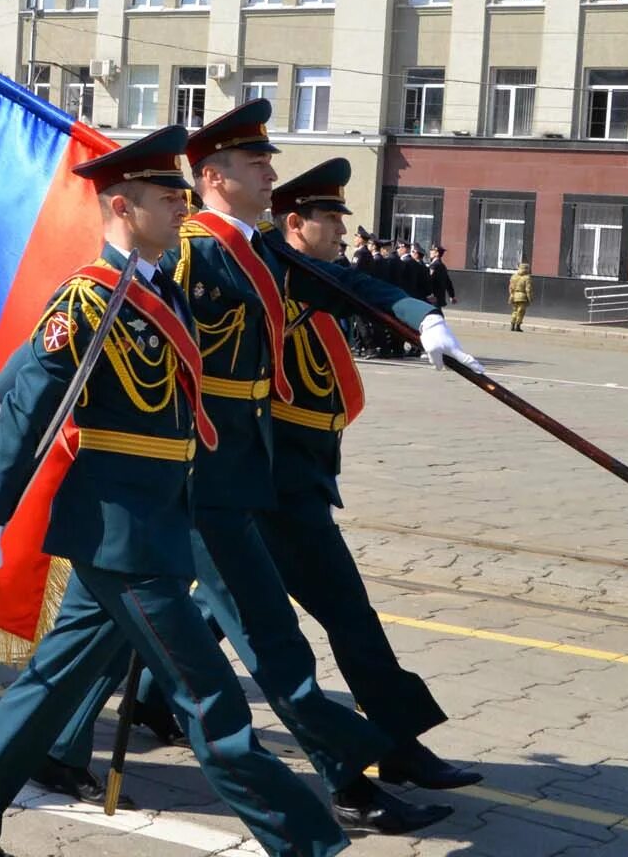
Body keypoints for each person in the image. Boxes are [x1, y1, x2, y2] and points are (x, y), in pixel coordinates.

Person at [0, 126, 351, 857]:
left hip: (156, 517)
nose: (182, 207)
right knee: (208, 698)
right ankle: (306, 842)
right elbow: (31, 415)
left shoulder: (159, 289)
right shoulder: (87, 303)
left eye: (184, 195)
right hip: (121, 534)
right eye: (167, 197)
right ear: (122, 207)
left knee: (53, 680)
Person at [157, 99, 470, 833]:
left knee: (262, 622)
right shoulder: (188, 252)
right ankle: (345, 782)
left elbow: (343, 287)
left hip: (264, 472)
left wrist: (418, 314)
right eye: (256, 163)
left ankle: (38, 752)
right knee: (262, 639)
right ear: (212, 177)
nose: (271, 172)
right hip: (208, 474)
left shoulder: (257, 252)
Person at [265, 159, 481, 788]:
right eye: (330, 219)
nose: (340, 232)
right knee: (338, 615)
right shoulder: (264, 269)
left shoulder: (305, 275)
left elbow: (364, 292)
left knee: (217, 616)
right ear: (294, 222)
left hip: (295, 476)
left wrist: (425, 319)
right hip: (261, 481)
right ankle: (391, 747)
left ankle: (99, 717)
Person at [508, 262, 532, 331]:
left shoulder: (513, 276)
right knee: (521, 312)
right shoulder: (527, 277)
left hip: (514, 296)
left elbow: (510, 288)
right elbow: (528, 289)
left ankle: (512, 325)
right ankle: (517, 326)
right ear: (526, 269)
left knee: (514, 311)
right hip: (522, 297)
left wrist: (511, 295)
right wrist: (530, 299)